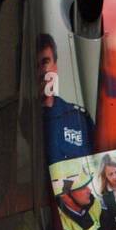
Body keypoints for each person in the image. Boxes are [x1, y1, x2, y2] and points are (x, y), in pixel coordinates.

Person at [37, 31, 94, 167]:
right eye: (35, 65)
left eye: (46, 62)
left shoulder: (80, 119)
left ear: (55, 66)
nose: (42, 71)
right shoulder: (21, 124)